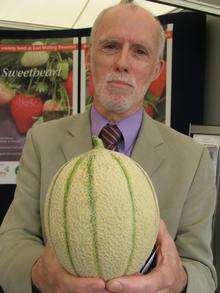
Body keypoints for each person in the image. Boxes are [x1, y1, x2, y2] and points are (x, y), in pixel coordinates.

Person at [0, 3, 217, 293]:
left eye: (140, 51)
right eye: (110, 46)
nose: (122, 63)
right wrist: (39, 272)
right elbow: (14, 238)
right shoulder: (42, 140)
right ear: (89, 58)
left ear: (156, 70)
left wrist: (179, 280)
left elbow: (202, 269)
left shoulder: (192, 159)